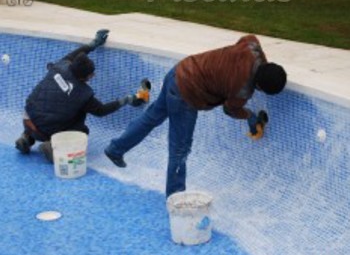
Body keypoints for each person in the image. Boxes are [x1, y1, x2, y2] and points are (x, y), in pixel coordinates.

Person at [104, 35, 287, 198]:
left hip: (179, 71)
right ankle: (175, 199)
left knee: (152, 117)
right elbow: (230, 109)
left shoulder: (252, 47)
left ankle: (115, 149)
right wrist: (250, 116)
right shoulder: (243, 90)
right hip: (186, 94)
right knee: (179, 149)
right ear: (260, 87)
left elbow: (247, 37)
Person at [15, 29, 146, 161]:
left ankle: (26, 138)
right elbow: (101, 111)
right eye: (91, 74)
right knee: (81, 130)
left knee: (45, 107)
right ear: (84, 77)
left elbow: (76, 54)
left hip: (27, 120)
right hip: (45, 132)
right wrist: (128, 99)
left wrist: (93, 44)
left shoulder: (61, 66)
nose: (93, 75)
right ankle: (53, 146)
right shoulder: (82, 94)